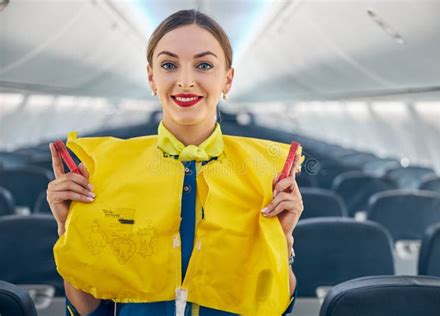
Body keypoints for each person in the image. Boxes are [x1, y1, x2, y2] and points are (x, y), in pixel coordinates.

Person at [47, 9, 304, 316]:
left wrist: (282, 241)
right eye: (169, 65)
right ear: (152, 77)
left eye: (204, 65)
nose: (185, 81)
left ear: (228, 79)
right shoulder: (109, 172)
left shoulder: (263, 175)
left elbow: (275, 309)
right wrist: (70, 229)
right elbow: (92, 309)